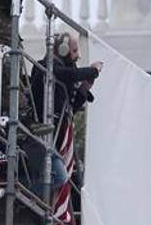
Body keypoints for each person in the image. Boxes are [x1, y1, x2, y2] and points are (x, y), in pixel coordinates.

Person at [26, 33, 99, 192]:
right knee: (59, 177)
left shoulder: (61, 79)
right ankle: (28, 199)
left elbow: (68, 110)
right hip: (36, 136)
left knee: (58, 179)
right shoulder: (44, 67)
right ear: (64, 50)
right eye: (74, 51)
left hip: (52, 140)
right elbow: (68, 74)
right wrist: (92, 71)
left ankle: (36, 203)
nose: (77, 56)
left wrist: (83, 90)